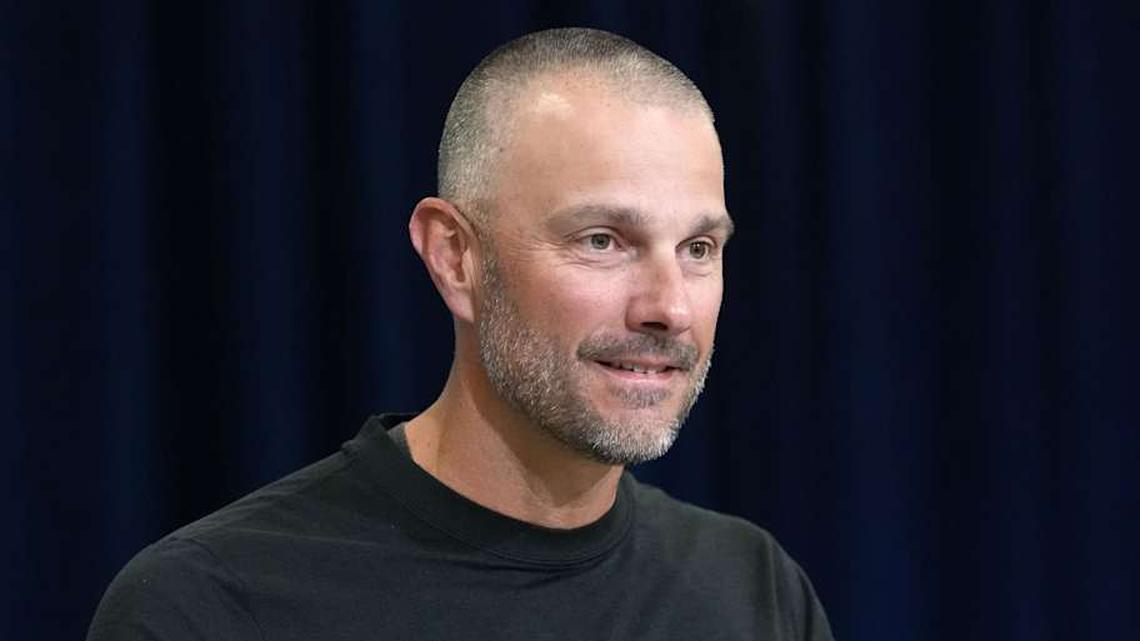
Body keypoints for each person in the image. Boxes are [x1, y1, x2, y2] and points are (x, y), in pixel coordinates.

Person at [88, 27, 834, 640]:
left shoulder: (755, 593)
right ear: (456, 256)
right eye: (603, 240)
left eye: (698, 249)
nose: (668, 307)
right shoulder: (207, 607)